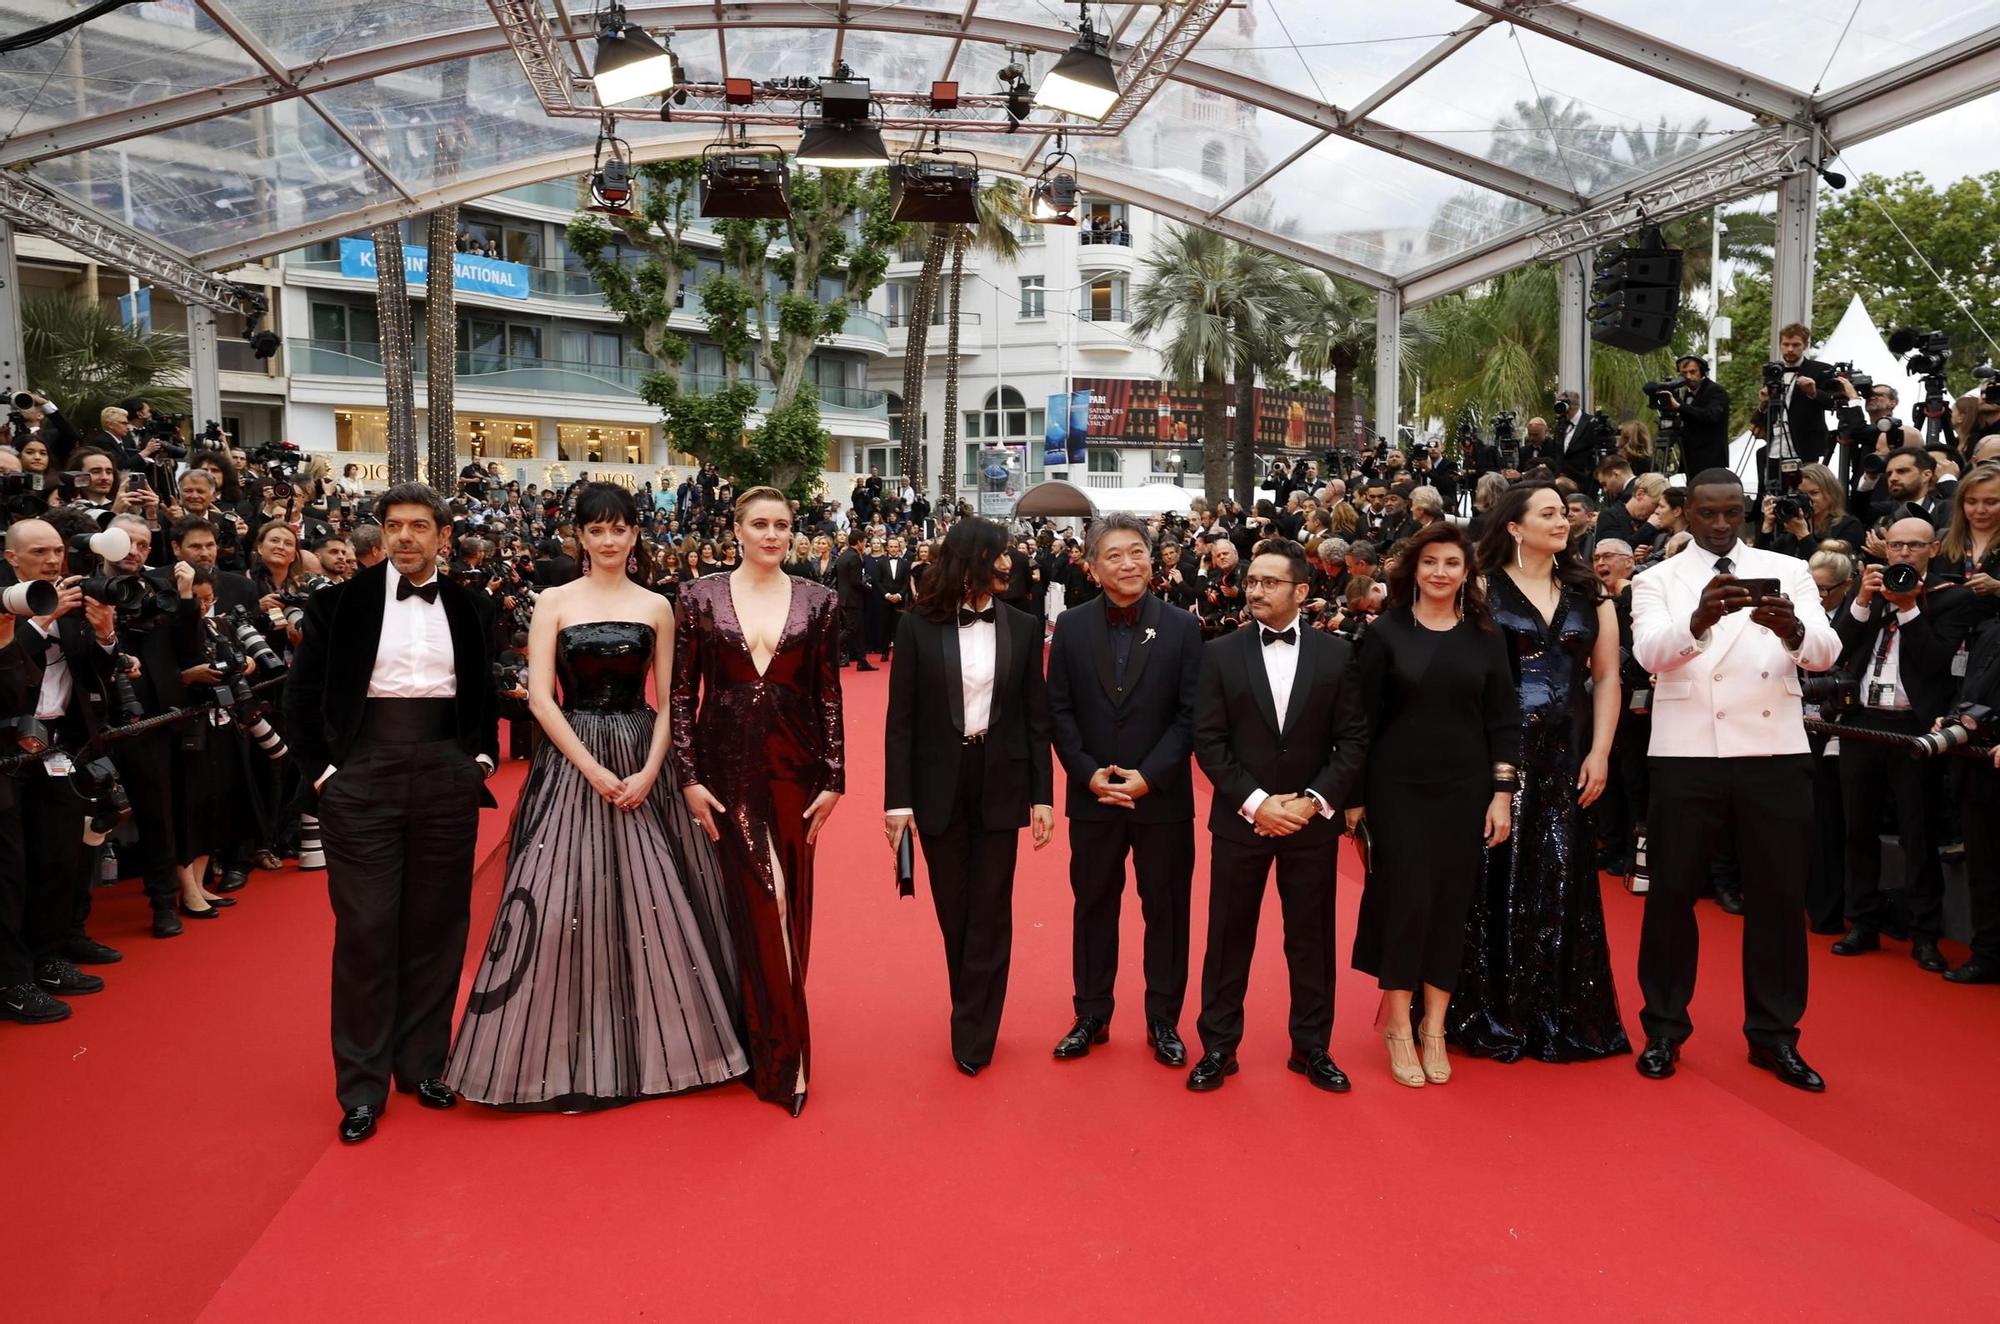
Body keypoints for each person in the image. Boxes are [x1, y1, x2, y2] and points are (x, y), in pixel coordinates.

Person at [447, 484, 746, 1110]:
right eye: (596, 531)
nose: (608, 541)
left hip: (643, 756)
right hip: (572, 759)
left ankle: (669, 1049)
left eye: (619, 530)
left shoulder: (658, 607)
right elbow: (538, 698)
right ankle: (559, 1061)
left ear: (636, 534)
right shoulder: (553, 601)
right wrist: (588, 767)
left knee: (657, 905)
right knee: (561, 903)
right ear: (580, 537)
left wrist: (648, 770)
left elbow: (671, 702)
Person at [283, 483, 499, 1144]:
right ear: (377, 533)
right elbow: (300, 697)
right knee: (368, 927)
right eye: (394, 525)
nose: (406, 536)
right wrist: (324, 774)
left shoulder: (469, 605)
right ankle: (362, 1085)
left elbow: (483, 687)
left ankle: (423, 1064)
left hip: (444, 771)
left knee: (436, 925)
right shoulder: (335, 604)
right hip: (362, 773)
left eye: (419, 526)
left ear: (440, 534)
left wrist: (481, 760)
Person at [1630, 468, 1841, 1092]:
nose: (1721, 524)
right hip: (1686, 752)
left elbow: (1827, 653)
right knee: (1671, 895)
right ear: (1686, 513)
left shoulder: (1790, 568)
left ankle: (1775, 1037)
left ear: (1745, 510)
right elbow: (1648, 657)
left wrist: (1794, 630)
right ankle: (1664, 1029)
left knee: (1777, 899)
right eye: (1707, 513)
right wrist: (1696, 623)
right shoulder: (1656, 580)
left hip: (1774, 750)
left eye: (1731, 513)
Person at [672, 487, 844, 1117]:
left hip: (797, 772)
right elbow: (681, 696)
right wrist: (688, 776)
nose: (772, 534)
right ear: (737, 530)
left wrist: (835, 775)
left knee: (792, 905)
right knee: (758, 904)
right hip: (725, 772)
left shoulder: (821, 600)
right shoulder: (698, 597)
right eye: (760, 524)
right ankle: (784, 1060)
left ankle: (770, 1041)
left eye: (782, 525)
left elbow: (828, 692)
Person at [1451, 482, 1628, 1063]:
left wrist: (1600, 751)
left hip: (1570, 749)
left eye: (1564, 513)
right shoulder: (1479, 586)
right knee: (1491, 871)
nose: (1563, 520)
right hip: (1497, 750)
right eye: (1548, 513)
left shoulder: (1591, 592)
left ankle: (1555, 1014)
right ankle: (1490, 1010)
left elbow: (1606, 678)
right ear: (1514, 526)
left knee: (1562, 875)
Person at [1186, 538, 1367, 1094]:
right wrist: (1258, 803)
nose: (1256, 590)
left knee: (1310, 938)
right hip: (1242, 821)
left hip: (1311, 824)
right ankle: (1218, 1046)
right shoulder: (1219, 653)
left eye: (1269, 582)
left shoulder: (1338, 655)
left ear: (1302, 590)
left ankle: (1312, 1047)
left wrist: (1312, 803)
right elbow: (1209, 740)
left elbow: (1354, 740)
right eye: (1253, 581)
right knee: (1227, 937)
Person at [1348, 522, 1520, 1088]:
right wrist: (1353, 799)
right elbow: (1360, 723)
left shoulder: (1487, 637)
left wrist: (1502, 794)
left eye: (1451, 562)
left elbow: (1502, 721)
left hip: (1465, 791)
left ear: (1467, 572)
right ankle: (1399, 1024)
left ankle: (1435, 1029)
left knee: (1450, 904)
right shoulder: (1385, 634)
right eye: (1430, 562)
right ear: (1412, 570)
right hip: (1396, 790)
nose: (1440, 572)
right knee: (1407, 901)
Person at [883, 517, 1054, 1076]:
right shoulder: (916, 628)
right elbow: (900, 722)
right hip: (937, 783)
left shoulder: (1024, 627)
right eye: (1000, 555)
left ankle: (975, 1027)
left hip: (1000, 777)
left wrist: (1043, 796)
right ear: (971, 560)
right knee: (954, 909)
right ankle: (972, 1004)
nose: (1009, 564)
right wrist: (897, 802)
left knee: (991, 908)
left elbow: (1035, 719)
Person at [1045, 514, 1204, 1068]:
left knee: (1167, 909)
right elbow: (1058, 710)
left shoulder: (1184, 626)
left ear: (1152, 559)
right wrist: (1086, 773)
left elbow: (1191, 716)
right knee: (1093, 907)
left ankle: (1164, 1018)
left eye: (1137, 551)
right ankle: (1091, 1012)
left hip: (1161, 798)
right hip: (1092, 796)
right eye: (1113, 554)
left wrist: (1148, 776)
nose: (1128, 563)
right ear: (1092, 567)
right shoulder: (1069, 626)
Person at [1826, 516, 1980, 973]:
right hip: (1861, 723)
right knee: (1858, 828)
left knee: (1918, 833)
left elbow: (1936, 663)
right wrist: (1863, 601)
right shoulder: (1868, 590)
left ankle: (1925, 934)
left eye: (1914, 545)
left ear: (1933, 549)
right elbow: (1834, 648)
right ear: (1884, 548)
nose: (1904, 554)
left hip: (1916, 726)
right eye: (1896, 545)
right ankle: (1863, 922)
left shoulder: (1952, 599)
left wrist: (1909, 607)